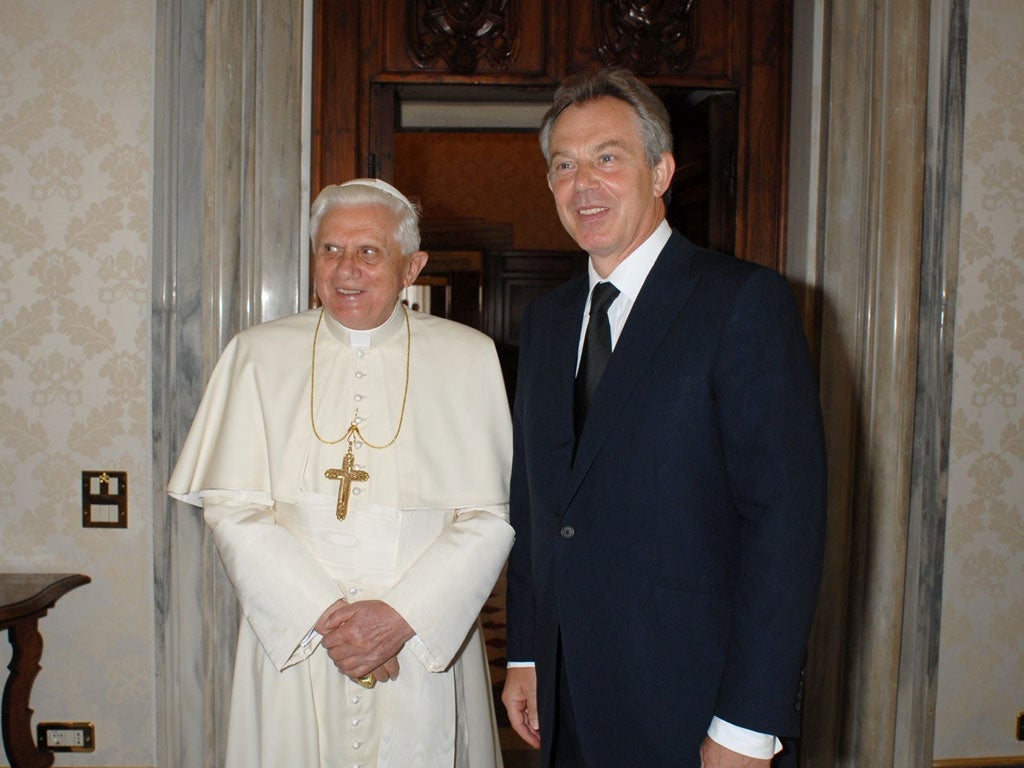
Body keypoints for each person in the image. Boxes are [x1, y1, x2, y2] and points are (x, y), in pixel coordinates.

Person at [501, 68, 827, 768]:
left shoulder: (741, 304)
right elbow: (535, 506)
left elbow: (785, 526)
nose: (582, 183)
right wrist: (527, 652)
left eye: (607, 157)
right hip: (567, 699)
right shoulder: (549, 320)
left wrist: (747, 724)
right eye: (564, 164)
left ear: (662, 170)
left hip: (692, 701)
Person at [168, 178, 514, 767]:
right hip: (298, 636)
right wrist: (327, 620)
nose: (345, 269)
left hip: (420, 638)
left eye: (368, 252)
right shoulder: (256, 355)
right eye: (330, 250)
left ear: (413, 266)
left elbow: (487, 516)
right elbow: (232, 508)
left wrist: (399, 618)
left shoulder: (470, 356)